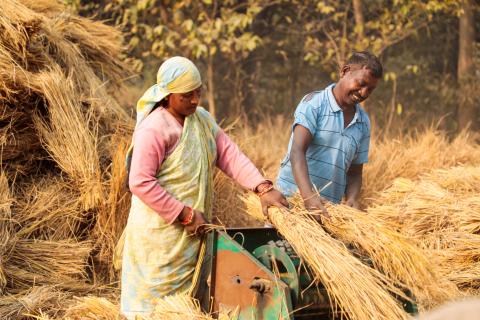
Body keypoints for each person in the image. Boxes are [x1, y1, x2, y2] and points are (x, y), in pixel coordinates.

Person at [120, 56, 288, 319]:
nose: (196, 100)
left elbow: (229, 154)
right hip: (158, 240)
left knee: (189, 307)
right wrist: (184, 214)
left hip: (190, 237)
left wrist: (262, 188)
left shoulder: (202, 121)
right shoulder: (154, 129)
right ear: (168, 95)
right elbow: (140, 181)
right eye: (187, 96)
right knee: (153, 311)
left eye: (198, 92)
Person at [276, 51, 382, 213]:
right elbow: (297, 152)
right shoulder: (314, 104)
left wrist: (352, 198)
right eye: (361, 83)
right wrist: (308, 196)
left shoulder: (363, 122)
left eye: (370, 89)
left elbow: (354, 172)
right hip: (290, 204)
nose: (364, 93)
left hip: (328, 211)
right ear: (345, 71)